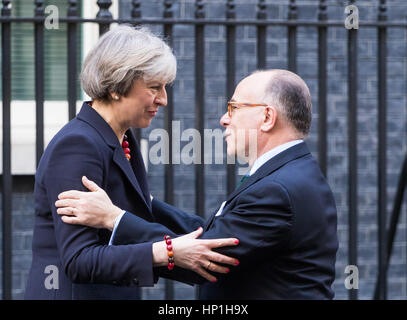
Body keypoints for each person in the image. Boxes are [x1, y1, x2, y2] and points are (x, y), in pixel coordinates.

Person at [56, 69, 339, 299]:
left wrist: (114, 218)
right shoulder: (291, 174)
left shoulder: (277, 189)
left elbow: (207, 257)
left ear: (267, 117)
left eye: (234, 107)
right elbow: (214, 233)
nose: (224, 118)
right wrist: (145, 203)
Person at [24, 25, 239, 300]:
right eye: (154, 88)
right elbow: (79, 260)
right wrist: (167, 251)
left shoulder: (120, 137)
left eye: (165, 87)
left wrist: (205, 237)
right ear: (116, 87)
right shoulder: (77, 145)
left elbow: (139, 211)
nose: (163, 100)